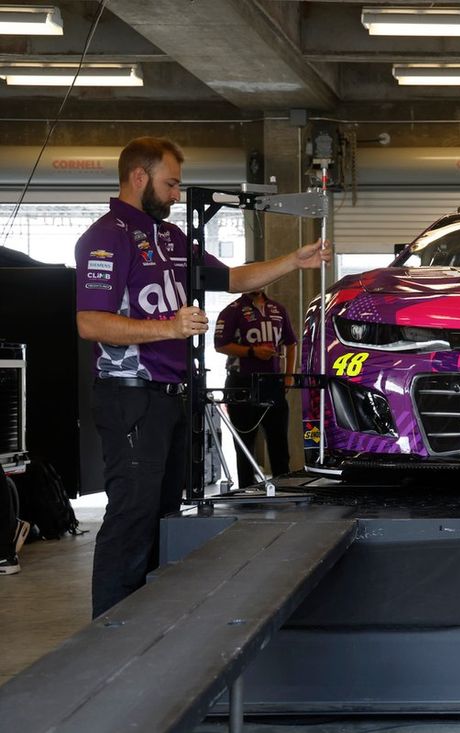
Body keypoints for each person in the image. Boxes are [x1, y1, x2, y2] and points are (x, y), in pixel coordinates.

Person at [75, 136, 331, 617]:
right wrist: (168, 327)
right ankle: (108, 628)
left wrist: (291, 261)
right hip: (130, 396)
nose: (176, 194)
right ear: (138, 177)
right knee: (133, 514)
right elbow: (90, 322)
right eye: (170, 183)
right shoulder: (105, 236)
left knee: (165, 515)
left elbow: (231, 278)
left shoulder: (169, 237)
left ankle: (145, 619)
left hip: (173, 398)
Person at [214, 290, 297, 488]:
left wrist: (289, 375)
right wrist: (252, 352)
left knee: (279, 443)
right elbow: (220, 345)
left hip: (272, 383)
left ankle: (283, 488)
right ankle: (247, 491)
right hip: (241, 382)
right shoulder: (232, 310)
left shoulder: (278, 308)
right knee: (244, 443)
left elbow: (291, 342)